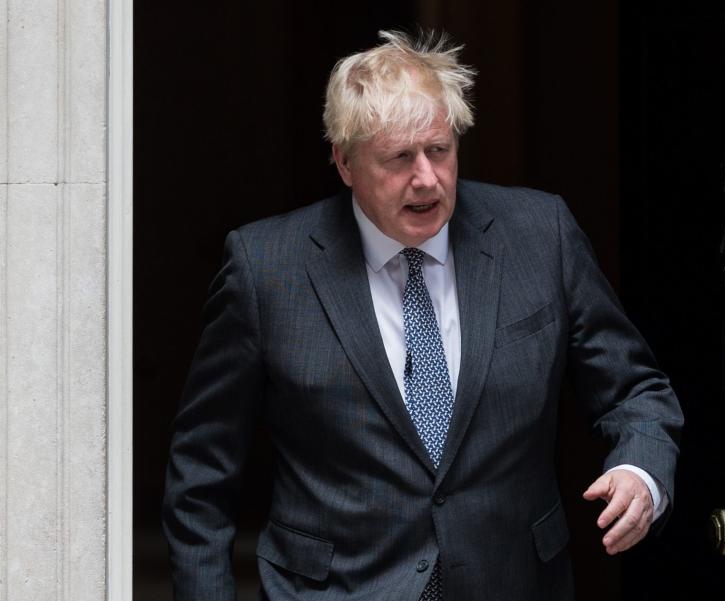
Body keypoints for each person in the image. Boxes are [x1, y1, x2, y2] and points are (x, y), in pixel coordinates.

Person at [162, 30, 683, 601]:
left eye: (439, 150)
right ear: (343, 162)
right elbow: (201, 477)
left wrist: (641, 472)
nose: (426, 179)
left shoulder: (541, 235)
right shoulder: (265, 269)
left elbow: (634, 390)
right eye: (398, 158)